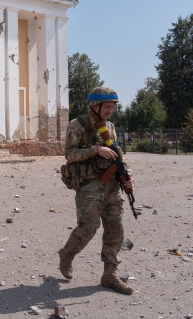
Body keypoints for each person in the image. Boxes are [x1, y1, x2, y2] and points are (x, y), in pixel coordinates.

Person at [58, 86, 135, 294]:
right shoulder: (77, 125)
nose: (110, 111)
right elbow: (70, 154)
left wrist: (127, 175)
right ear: (95, 106)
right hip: (89, 185)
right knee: (88, 227)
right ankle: (66, 255)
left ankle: (109, 274)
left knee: (115, 228)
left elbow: (118, 154)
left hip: (112, 186)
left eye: (112, 107)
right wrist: (95, 150)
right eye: (107, 106)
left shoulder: (110, 126)